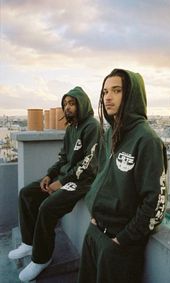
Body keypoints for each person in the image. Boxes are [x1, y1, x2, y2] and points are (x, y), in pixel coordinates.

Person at [78, 69, 168, 283]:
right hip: (94, 232)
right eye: (105, 91)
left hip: (118, 246)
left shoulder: (147, 140)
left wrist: (123, 239)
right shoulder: (109, 133)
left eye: (116, 90)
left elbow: (155, 202)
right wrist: (94, 212)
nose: (107, 97)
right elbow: (100, 173)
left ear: (131, 96)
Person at [8, 86, 100, 282]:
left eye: (72, 103)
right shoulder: (71, 129)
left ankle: (42, 258)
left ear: (82, 104)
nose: (67, 107)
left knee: (47, 207)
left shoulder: (92, 126)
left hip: (84, 181)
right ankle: (29, 243)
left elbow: (89, 165)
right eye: (65, 103)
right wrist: (50, 176)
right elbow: (63, 159)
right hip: (66, 177)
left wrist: (62, 182)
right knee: (27, 193)